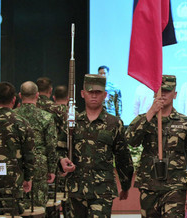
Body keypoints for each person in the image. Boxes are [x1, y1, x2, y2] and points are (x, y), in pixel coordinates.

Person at [126, 75, 187, 217]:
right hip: (149, 185)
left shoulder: (185, 122)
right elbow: (131, 141)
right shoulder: (145, 119)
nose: (163, 95)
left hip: (174, 185)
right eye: (160, 91)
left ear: (175, 94)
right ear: (154, 93)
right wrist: (151, 113)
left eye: (167, 91)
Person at [57, 74, 134, 217]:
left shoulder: (114, 123)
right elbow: (59, 149)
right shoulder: (72, 122)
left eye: (98, 92)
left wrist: (125, 185)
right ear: (82, 93)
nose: (93, 96)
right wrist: (61, 161)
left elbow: (123, 157)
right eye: (90, 92)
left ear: (105, 95)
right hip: (76, 189)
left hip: (102, 190)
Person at [0, 82, 35, 215]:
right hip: (13, 183)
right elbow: (29, 155)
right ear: (14, 100)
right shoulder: (22, 123)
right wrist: (28, 178)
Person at [15, 81, 57, 209]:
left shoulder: (13, 116)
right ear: (37, 95)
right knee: (38, 207)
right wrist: (52, 169)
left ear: (20, 95)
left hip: (17, 165)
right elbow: (51, 146)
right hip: (39, 165)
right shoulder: (46, 117)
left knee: (18, 205)